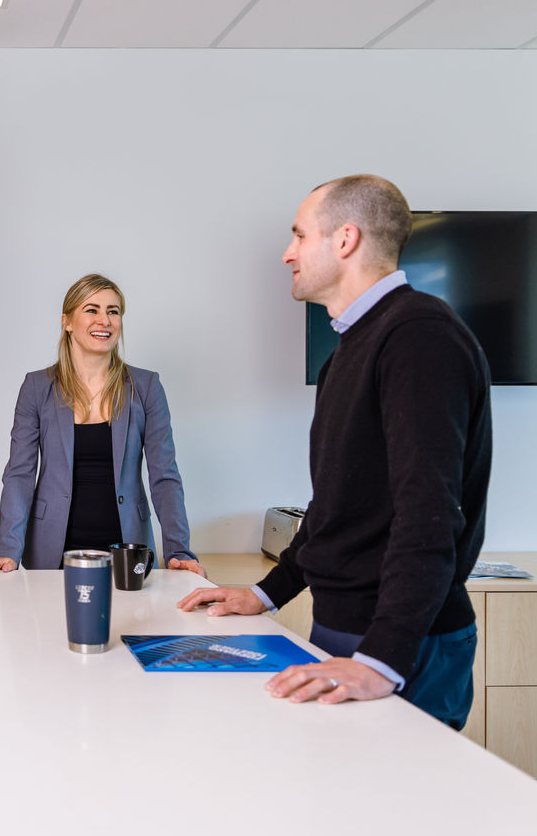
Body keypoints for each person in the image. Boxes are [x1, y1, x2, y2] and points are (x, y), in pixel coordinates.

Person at [177, 175, 492, 729]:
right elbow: (333, 508)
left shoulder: (419, 337)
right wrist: (266, 595)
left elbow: (429, 514)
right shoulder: (346, 352)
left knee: (403, 815)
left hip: (401, 642)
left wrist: (382, 659)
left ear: (345, 239)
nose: (287, 253)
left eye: (299, 235)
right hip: (349, 630)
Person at [0, 274, 203, 576]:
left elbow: (165, 476)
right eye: (92, 310)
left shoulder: (146, 386)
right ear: (67, 321)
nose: (104, 320)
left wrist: (179, 550)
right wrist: (7, 549)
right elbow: (19, 475)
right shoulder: (37, 387)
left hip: (127, 551)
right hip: (53, 553)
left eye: (113, 311)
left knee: (133, 625)